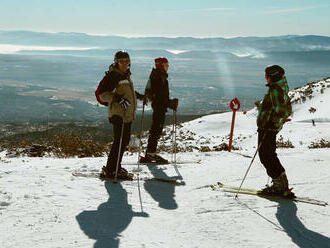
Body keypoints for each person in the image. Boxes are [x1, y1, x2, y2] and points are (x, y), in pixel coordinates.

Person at [98, 51, 144, 179]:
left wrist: (138, 96)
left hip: (127, 114)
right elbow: (103, 94)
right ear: (116, 62)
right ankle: (111, 170)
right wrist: (118, 99)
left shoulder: (124, 75)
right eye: (121, 61)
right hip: (118, 114)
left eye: (127, 61)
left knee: (123, 141)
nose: (125, 64)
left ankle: (115, 167)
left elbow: (126, 91)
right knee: (119, 141)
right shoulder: (113, 76)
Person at [257, 65, 292, 194]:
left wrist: (272, 123)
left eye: (266, 75)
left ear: (272, 76)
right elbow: (284, 109)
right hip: (269, 127)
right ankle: (281, 184)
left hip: (268, 128)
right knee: (269, 154)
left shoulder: (276, 90)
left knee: (266, 156)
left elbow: (282, 111)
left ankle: (279, 185)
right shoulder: (279, 88)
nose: (265, 78)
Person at [139, 57, 178, 164]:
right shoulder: (159, 77)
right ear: (161, 66)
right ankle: (151, 153)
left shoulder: (157, 76)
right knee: (156, 129)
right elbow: (160, 97)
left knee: (156, 129)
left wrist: (168, 103)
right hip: (159, 107)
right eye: (166, 65)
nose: (168, 67)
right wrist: (170, 103)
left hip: (158, 106)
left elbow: (157, 95)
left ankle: (150, 153)